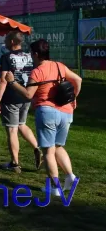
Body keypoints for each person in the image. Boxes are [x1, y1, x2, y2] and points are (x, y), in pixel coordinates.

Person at [5, 39, 82, 196]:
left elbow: (28, 94)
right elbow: (78, 80)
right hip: (66, 112)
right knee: (58, 146)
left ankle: (55, 187)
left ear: (35, 54)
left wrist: (12, 82)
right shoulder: (59, 66)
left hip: (47, 111)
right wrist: (74, 98)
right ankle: (70, 176)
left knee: (48, 151)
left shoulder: (37, 71)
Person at [0, 32, 42, 173]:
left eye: (7, 39)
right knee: (21, 124)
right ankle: (37, 148)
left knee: (12, 129)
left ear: (13, 41)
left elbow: (3, 80)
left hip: (11, 97)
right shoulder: (29, 56)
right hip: (25, 95)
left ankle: (15, 163)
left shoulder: (6, 57)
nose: (4, 40)